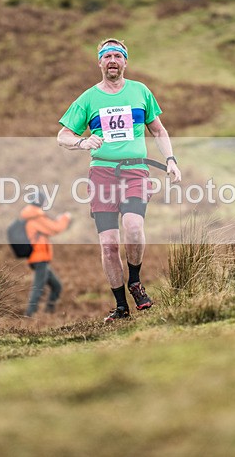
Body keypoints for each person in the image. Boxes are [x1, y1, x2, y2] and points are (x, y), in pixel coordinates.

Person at [57, 38, 182, 322]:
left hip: (135, 171)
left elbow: (159, 130)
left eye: (117, 56)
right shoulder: (88, 98)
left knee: (134, 228)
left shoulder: (141, 92)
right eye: (107, 56)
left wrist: (171, 160)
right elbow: (62, 136)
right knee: (109, 244)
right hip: (101, 173)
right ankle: (121, 306)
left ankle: (135, 282)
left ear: (125, 61)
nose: (112, 61)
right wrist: (83, 142)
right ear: (99, 62)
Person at [20, 196, 71, 317]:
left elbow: (50, 230)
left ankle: (49, 313)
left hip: (38, 258)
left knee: (56, 286)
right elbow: (55, 228)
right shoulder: (36, 217)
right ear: (41, 202)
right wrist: (65, 218)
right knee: (38, 288)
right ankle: (29, 315)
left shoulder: (30, 216)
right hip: (39, 258)